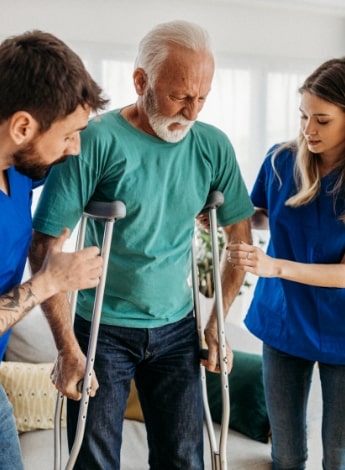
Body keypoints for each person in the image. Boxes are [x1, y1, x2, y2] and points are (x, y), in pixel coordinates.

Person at [30, 20, 254, 470]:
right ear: (140, 81)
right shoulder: (93, 140)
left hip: (178, 329)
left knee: (185, 459)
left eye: (202, 98)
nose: (192, 113)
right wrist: (66, 347)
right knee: (92, 460)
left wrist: (216, 322)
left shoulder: (212, 147)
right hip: (101, 328)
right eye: (180, 96)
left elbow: (239, 243)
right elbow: (45, 249)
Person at [228, 57, 345, 469]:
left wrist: (276, 266)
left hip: (341, 329)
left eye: (323, 120)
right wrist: (227, 215)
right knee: (287, 453)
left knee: (340, 453)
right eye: (303, 116)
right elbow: (263, 213)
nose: (308, 129)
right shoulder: (281, 161)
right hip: (283, 319)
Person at [0, 30, 108, 469]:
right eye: (69, 135)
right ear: (23, 126)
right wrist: (49, 282)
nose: (75, 147)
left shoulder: (19, 170)